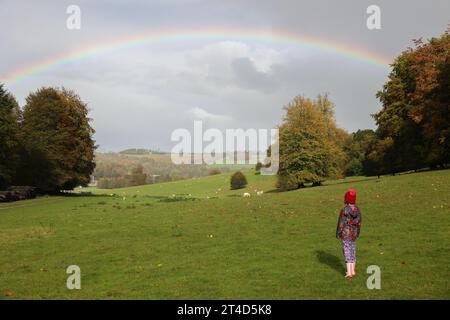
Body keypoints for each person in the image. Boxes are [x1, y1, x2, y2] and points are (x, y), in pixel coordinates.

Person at [336, 189, 362, 278]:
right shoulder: (357, 210)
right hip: (354, 234)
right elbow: (359, 222)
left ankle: (349, 272)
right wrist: (357, 232)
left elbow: (341, 222)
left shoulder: (344, 210)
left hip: (346, 233)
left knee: (347, 251)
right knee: (352, 250)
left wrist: (338, 233)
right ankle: (353, 271)